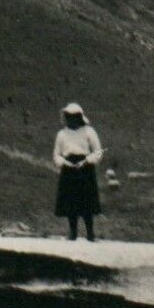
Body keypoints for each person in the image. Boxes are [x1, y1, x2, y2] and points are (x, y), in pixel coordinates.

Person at [53, 102, 102, 241]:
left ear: (79, 117)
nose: (70, 119)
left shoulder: (89, 132)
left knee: (87, 200)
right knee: (70, 201)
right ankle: (73, 233)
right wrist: (65, 162)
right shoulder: (62, 134)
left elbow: (98, 152)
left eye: (73, 117)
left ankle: (90, 233)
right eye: (68, 116)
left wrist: (87, 161)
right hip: (69, 168)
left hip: (84, 168)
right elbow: (56, 154)